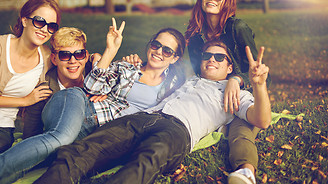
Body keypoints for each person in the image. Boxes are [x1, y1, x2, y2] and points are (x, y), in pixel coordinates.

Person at [0, 20, 186, 184]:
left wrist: (170, 156)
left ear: (175, 57)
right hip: (79, 104)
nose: (159, 52)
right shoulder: (127, 67)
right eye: (156, 45)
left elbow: (166, 122)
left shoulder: (173, 87)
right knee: (60, 138)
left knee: (46, 158)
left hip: (100, 134)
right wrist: (111, 49)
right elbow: (92, 88)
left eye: (167, 50)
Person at [32, 40, 271, 184]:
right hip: (142, 119)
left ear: (230, 67)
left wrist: (258, 85)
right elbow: (154, 74)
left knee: (144, 162)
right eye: (208, 55)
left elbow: (262, 119)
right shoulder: (187, 79)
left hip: (178, 131)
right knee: (82, 150)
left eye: (220, 57)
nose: (212, 60)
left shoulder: (234, 92)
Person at [185, 0, 271, 183]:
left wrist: (236, 79)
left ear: (227, 1)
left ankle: (245, 173)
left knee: (241, 131)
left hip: (242, 93)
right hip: (211, 93)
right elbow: (200, 72)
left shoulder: (237, 28)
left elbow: (256, 70)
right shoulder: (195, 36)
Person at [0, 0, 60, 171]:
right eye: (40, 21)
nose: (45, 30)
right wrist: (25, 101)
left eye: (51, 26)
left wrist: (97, 58)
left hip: (0, 131)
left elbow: (72, 62)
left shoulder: (47, 57)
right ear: (24, 20)